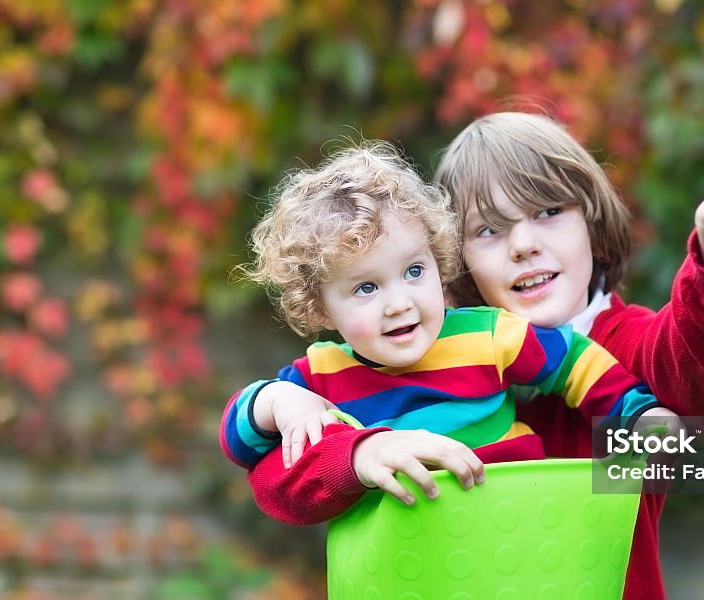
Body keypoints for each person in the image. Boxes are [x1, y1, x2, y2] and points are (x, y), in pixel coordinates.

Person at [223, 113, 704, 600]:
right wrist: (332, 439)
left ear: (591, 221)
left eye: (548, 211)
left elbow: (698, 351)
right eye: (489, 230)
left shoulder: (626, 352)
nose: (524, 244)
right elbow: (279, 472)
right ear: (454, 259)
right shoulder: (396, 367)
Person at [221, 140, 678, 515]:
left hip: (525, 540)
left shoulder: (488, 336)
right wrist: (276, 400)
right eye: (365, 288)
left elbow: (573, 361)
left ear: (440, 265)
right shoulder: (321, 378)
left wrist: (636, 413)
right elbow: (245, 450)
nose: (399, 304)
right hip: (418, 582)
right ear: (320, 308)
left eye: (414, 271)